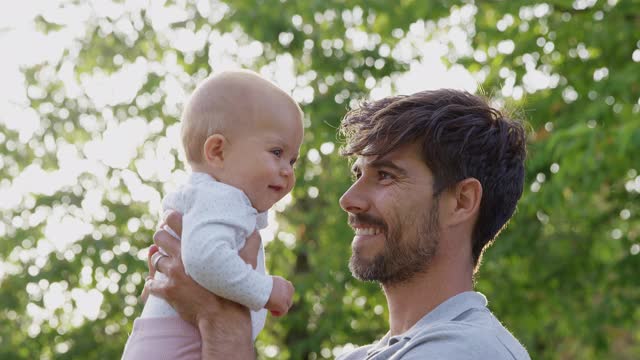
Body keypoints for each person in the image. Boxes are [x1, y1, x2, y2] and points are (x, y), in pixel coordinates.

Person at [145, 88, 531, 359]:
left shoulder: (467, 352)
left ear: (461, 202)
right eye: (357, 173)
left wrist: (219, 318)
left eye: (385, 176)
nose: (349, 199)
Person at [122, 70, 303, 359]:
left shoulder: (209, 199)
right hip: (178, 345)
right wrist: (266, 290)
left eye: (293, 160)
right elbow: (204, 259)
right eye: (277, 152)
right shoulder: (221, 197)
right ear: (217, 152)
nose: (288, 170)